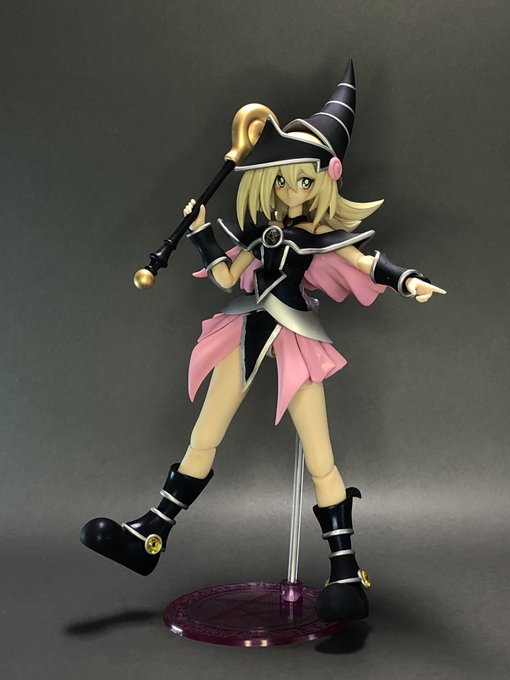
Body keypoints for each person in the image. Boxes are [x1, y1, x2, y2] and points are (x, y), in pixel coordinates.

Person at [81, 61, 445, 622]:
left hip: (296, 335)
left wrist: (408, 280)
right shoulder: (259, 234)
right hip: (245, 326)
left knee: (320, 455)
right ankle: (151, 533)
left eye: (305, 179)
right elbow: (228, 278)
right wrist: (201, 233)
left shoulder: (321, 237)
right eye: (282, 178)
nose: (292, 191)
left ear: (325, 178)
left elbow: (363, 261)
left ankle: (345, 568)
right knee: (204, 435)